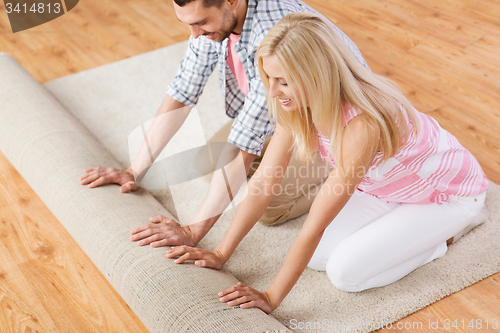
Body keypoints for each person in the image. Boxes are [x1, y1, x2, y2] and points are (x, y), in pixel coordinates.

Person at [165, 12, 490, 313]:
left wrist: (271, 297)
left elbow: (316, 223)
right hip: (384, 187)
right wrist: (221, 253)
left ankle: (448, 234)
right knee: (318, 258)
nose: (273, 91)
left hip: (447, 195)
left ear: (315, 76)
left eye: (283, 81)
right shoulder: (293, 104)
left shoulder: (362, 125)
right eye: (269, 78)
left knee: (345, 274)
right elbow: (265, 180)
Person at [80, 0, 368, 247]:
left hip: (332, 129)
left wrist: (193, 231)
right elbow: (183, 90)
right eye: (188, 23)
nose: (194, 34)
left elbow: (244, 143)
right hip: (283, 115)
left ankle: (351, 179)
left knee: (271, 207)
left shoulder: (270, 33)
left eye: (201, 22)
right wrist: (134, 170)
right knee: (212, 164)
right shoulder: (215, 24)